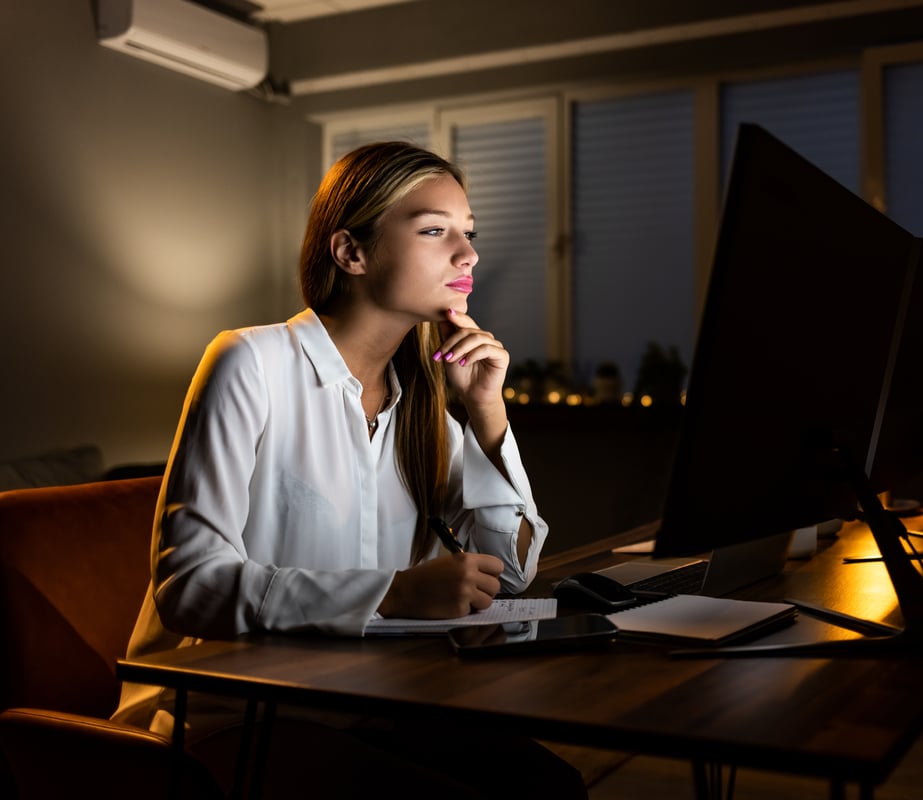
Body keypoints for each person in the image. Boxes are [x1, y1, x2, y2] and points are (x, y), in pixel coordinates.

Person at [112, 141, 587, 798]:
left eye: (469, 234)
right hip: (229, 719)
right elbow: (190, 587)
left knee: (549, 786)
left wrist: (486, 410)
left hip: (370, 705)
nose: (468, 254)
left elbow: (508, 573)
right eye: (434, 230)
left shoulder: (421, 401)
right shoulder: (250, 364)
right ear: (351, 252)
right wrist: (393, 593)